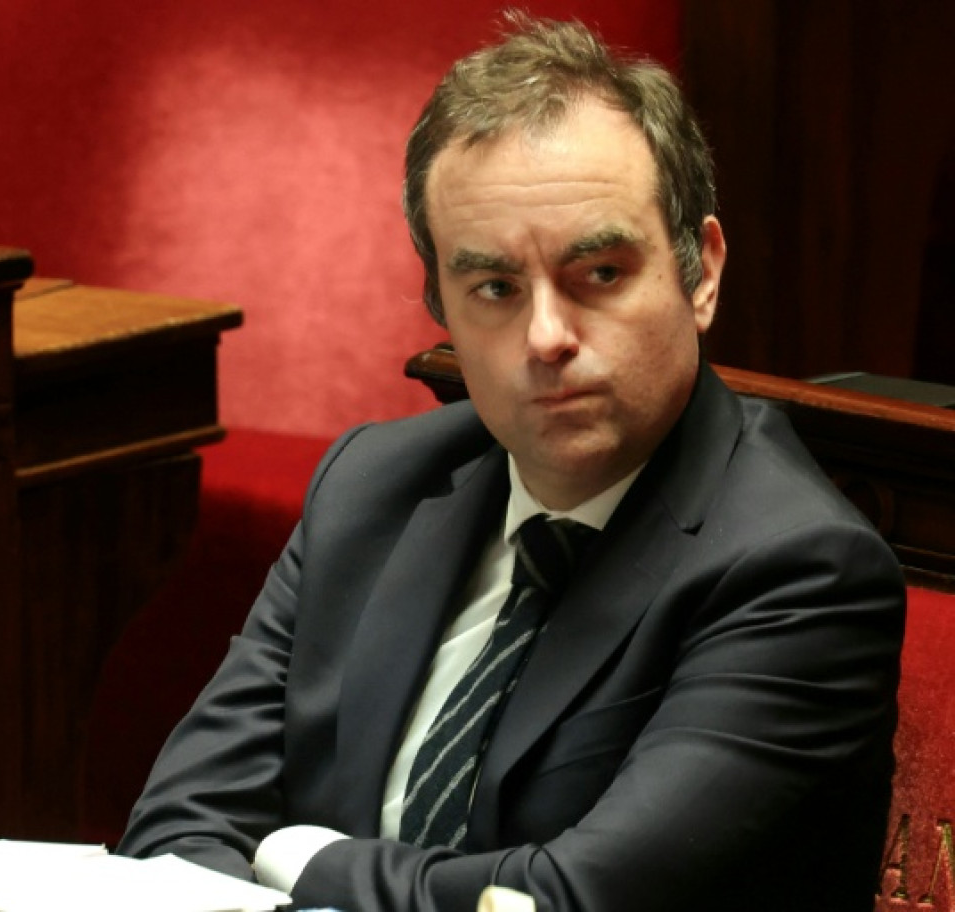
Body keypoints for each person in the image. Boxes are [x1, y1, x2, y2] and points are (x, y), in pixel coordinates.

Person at [117, 14, 905, 912]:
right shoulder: (372, 486)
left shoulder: (798, 569)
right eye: (495, 288)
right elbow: (176, 830)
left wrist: (299, 861)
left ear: (703, 274)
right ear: (441, 307)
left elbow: (570, 899)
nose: (546, 337)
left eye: (600, 274)